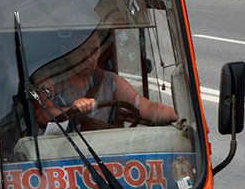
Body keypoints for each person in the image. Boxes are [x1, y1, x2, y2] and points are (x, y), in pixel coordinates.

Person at [29, 27, 176, 132]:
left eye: (93, 50)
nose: (88, 57)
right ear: (66, 51)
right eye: (81, 51)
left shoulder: (109, 81)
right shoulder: (50, 79)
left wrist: (180, 117)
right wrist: (72, 110)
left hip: (103, 155)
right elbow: (42, 115)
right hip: (58, 159)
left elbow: (148, 108)